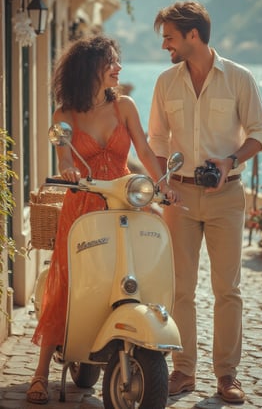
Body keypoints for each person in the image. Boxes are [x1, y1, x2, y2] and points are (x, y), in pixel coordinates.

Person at [26, 35, 177, 404]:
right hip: (85, 204)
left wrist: (162, 184)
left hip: (124, 202)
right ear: (89, 67)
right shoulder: (65, 115)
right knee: (68, 284)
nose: (118, 67)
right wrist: (68, 172)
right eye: (110, 61)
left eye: (117, 60)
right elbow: (63, 157)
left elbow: (142, 147)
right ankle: (41, 373)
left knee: (131, 275)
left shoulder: (123, 105)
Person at [148, 0, 262, 404]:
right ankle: (183, 370)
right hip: (178, 196)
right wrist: (164, 183)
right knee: (180, 288)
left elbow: (258, 133)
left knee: (227, 289)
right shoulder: (165, 82)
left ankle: (227, 375)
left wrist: (230, 160)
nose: (165, 45)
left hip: (227, 195)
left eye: (169, 37)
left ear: (192, 35)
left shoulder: (239, 78)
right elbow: (157, 142)